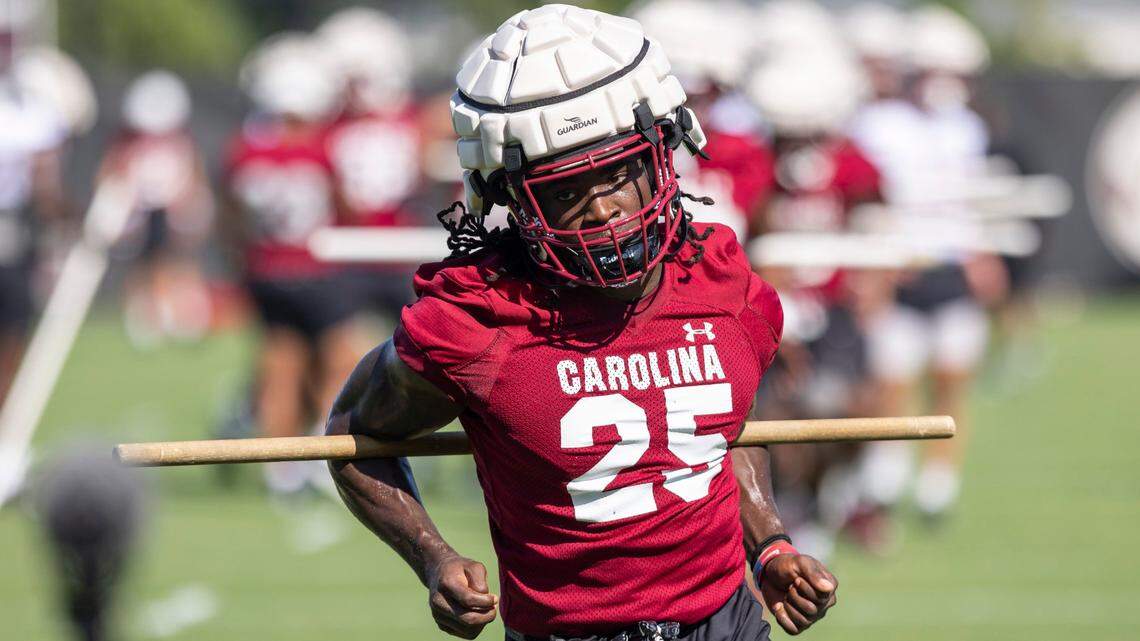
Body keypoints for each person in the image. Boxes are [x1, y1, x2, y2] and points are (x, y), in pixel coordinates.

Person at [327, 6, 836, 640]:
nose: (606, 207)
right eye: (566, 190)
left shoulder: (724, 283)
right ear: (509, 197)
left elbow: (723, 426)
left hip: (723, 620)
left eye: (621, 170)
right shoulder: (474, 321)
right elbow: (353, 436)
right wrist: (432, 557)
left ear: (665, 151)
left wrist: (770, 544)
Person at [223, 33, 361, 495]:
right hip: (313, 269)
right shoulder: (316, 146)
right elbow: (345, 207)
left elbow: (232, 214)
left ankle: (279, 468)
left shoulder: (246, 148)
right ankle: (327, 454)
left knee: (280, 364)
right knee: (341, 360)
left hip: (267, 269)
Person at [99, 70, 214, 347]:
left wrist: (193, 204)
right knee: (143, 263)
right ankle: (145, 319)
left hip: (174, 208)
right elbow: (111, 172)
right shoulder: (126, 143)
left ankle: (183, 316)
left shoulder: (183, 142)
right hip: (140, 210)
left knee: (179, 260)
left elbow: (195, 174)